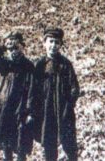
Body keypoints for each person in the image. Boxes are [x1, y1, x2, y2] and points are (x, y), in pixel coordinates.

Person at [0, 32, 35, 161]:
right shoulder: (7, 64)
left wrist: (30, 110)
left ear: (23, 47)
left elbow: (32, 89)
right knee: (5, 140)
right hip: (5, 105)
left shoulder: (28, 65)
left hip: (21, 107)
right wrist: (2, 47)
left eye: (17, 47)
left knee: (21, 141)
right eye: (11, 49)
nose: (14, 51)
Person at [28, 28, 80, 161]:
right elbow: (32, 90)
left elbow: (74, 88)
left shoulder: (65, 65)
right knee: (49, 146)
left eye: (57, 42)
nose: (53, 45)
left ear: (61, 45)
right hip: (46, 113)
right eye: (50, 41)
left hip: (64, 112)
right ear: (44, 43)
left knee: (70, 146)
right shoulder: (39, 65)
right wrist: (32, 110)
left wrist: (69, 105)